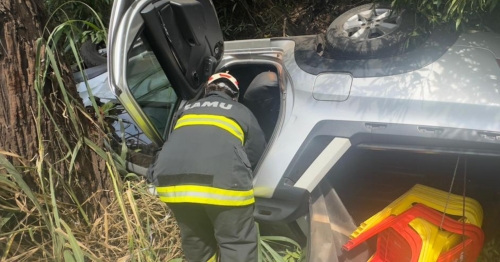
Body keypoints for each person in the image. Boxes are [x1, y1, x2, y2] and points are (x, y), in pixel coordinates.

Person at [148, 72, 266, 262]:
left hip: (172, 184)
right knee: (236, 243)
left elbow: (174, 142)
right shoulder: (241, 110)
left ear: (206, 91)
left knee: (196, 239)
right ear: (235, 95)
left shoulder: (186, 109)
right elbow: (256, 150)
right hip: (223, 185)